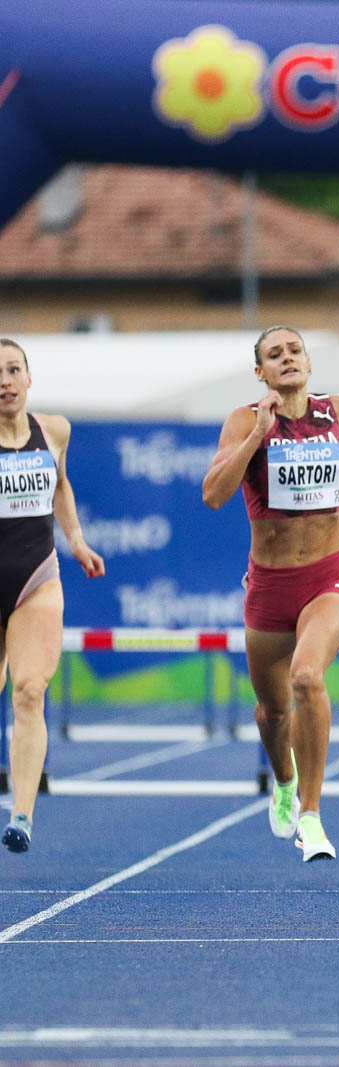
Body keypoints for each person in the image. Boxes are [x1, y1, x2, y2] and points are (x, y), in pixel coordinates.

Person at [201, 327, 339, 863]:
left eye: (295, 351)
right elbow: (213, 496)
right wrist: (258, 435)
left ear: (309, 363)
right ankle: (285, 782)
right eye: (275, 354)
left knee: (307, 677)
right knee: (272, 713)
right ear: (260, 372)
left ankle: (310, 818)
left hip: (329, 578)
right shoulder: (244, 420)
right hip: (269, 587)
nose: (287, 359)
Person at [0, 339, 105, 852]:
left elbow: (60, 484)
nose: (5, 382)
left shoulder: (54, 431)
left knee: (29, 691)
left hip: (36, 578)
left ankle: (21, 813)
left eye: (13, 370)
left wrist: (77, 541)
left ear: (29, 377)